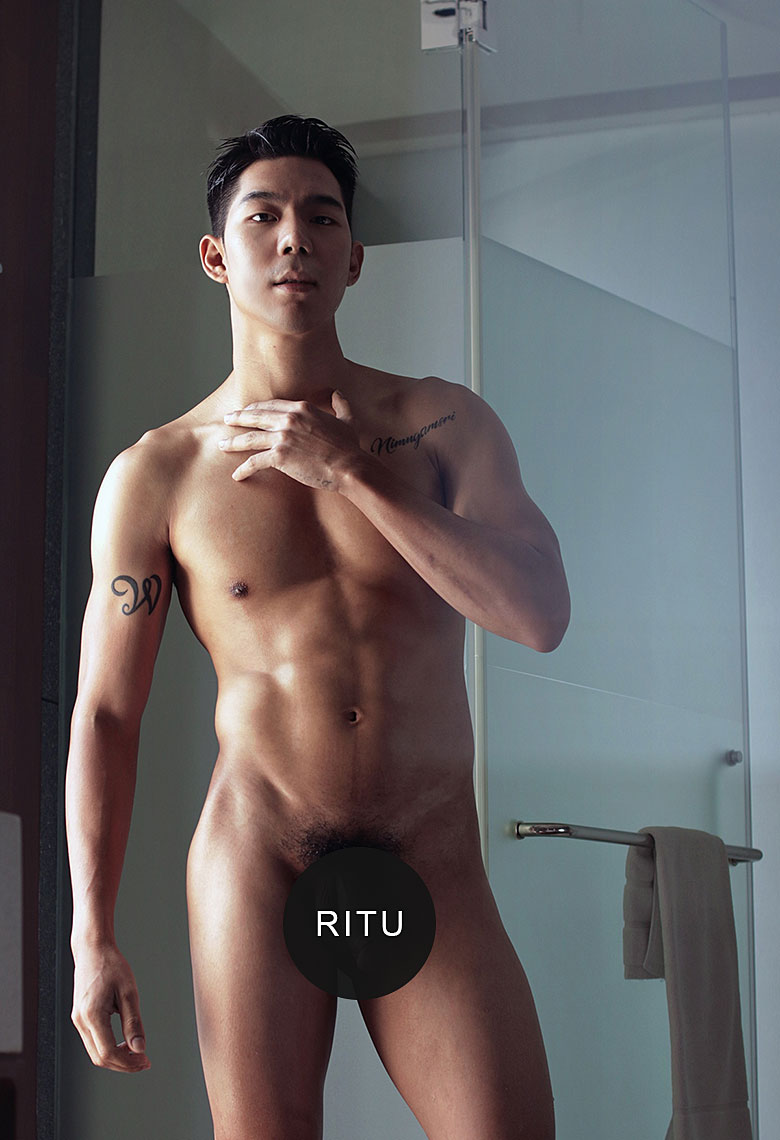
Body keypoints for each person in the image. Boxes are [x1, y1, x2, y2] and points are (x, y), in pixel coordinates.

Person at [66, 115, 570, 1140]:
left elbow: (538, 616)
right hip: (260, 853)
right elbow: (107, 714)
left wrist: (350, 473)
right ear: (218, 255)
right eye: (264, 216)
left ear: (354, 257)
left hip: (428, 848)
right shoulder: (157, 474)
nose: (294, 236)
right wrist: (92, 934)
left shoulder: (441, 425)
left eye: (322, 217)